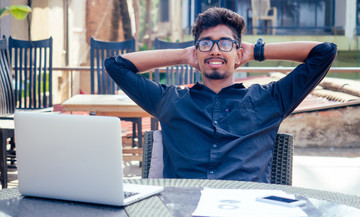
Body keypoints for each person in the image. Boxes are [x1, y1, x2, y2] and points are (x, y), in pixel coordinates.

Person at [105, 7, 337, 183]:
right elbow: (116, 65)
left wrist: (256, 51)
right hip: (182, 214)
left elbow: (324, 53)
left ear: (238, 53)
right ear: (196, 54)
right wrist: (184, 54)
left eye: (225, 43)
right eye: (206, 44)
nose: (215, 49)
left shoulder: (270, 99)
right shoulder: (170, 101)